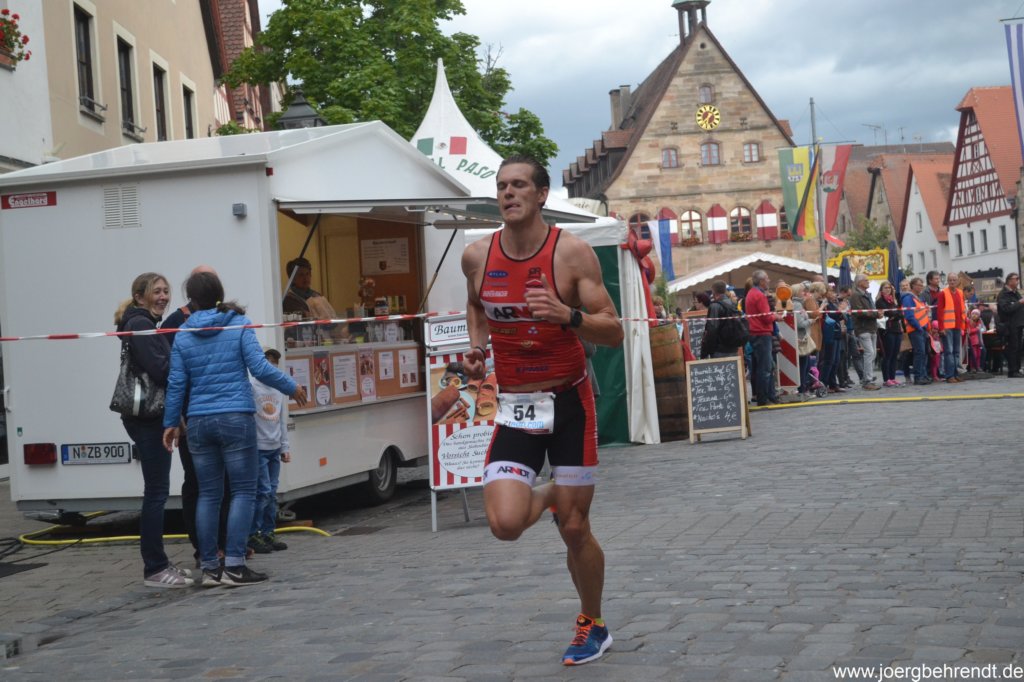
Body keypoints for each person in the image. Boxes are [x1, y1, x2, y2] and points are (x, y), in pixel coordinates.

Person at [461, 154, 623, 666]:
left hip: (569, 402)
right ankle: (553, 490)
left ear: (541, 195)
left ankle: (593, 624)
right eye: (501, 186)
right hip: (516, 406)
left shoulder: (571, 253)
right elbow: (476, 305)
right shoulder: (476, 255)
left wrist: (567, 315)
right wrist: (477, 347)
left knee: (574, 528)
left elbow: (613, 330)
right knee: (505, 523)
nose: (508, 193)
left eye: (519, 185)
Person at [163, 271, 308, 588]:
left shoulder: (183, 333)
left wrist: (171, 422)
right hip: (236, 419)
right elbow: (260, 368)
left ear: (191, 300)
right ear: (219, 293)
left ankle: (210, 568)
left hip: (198, 421)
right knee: (243, 491)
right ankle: (235, 565)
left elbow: (176, 383)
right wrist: (291, 386)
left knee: (208, 494)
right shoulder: (239, 324)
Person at [114, 272, 193, 588]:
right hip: (148, 418)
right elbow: (162, 371)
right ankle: (155, 568)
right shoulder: (141, 324)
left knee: (157, 490)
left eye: (166, 291)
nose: (163, 297)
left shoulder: (144, 322)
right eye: (156, 292)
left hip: (153, 416)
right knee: (157, 492)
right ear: (139, 297)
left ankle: (159, 562)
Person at [248, 348, 292, 554]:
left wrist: (285, 446)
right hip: (258, 447)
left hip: (274, 447)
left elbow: (282, 420)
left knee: (272, 493)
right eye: (268, 362)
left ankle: (268, 532)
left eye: (275, 364)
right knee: (263, 492)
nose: (272, 367)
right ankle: (253, 533)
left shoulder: (278, 389)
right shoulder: (252, 386)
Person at [744, 270, 782, 406]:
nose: (769, 280)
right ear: (761, 281)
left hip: (755, 333)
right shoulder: (759, 295)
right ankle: (763, 398)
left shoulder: (751, 293)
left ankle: (770, 396)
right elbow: (766, 317)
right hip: (762, 333)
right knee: (765, 368)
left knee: (765, 366)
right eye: (767, 279)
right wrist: (776, 316)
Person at [849, 274, 881, 390]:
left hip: (871, 327)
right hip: (863, 328)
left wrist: (876, 314)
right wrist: (876, 314)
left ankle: (868, 377)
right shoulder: (855, 295)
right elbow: (859, 312)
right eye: (866, 280)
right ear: (859, 282)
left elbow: (870, 309)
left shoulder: (867, 294)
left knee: (873, 354)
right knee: (869, 353)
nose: (868, 282)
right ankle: (867, 380)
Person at [935, 272, 967, 383]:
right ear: (948, 281)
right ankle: (949, 375)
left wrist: (963, 326)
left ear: (957, 281)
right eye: (950, 280)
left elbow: (963, 310)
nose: (952, 282)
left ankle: (955, 373)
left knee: (957, 351)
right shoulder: (943, 293)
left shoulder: (960, 293)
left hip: (957, 326)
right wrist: (941, 328)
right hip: (947, 327)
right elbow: (939, 311)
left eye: (954, 280)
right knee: (949, 351)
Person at [700, 280, 744, 358]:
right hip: (733, 347)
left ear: (713, 291)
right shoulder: (733, 304)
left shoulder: (715, 306)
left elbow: (712, 329)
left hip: (719, 350)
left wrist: (706, 350)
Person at [901, 277, 931, 385]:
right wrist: (919, 327)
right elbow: (909, 316)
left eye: (922, 285)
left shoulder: (917, 298)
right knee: (919, 353)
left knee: (923, 353)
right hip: (915, 329)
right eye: (919, 285)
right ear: (913, 286)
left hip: (921, 329)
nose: (921, 287)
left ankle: (923, 375)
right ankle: (918, 377)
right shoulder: (908, 298)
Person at [875, 280, 905, 387]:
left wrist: (895, 314)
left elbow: (900, 313)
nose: (888, 290)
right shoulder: (880, 301)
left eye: (889, 288)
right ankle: (886, 379)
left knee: (895, 355)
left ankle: (892, 377)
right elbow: (889, 313)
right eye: (885, 288)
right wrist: (895, 314)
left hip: (897, 329)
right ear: (881, 290)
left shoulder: (894, 300)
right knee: (888, 355)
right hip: (887, 330)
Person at [997, 273, 1024, 377]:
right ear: (1009, 281)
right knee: (1013, 347)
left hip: (1018, 324)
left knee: (1018, 347)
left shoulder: (1016, 293)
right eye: (1016, 279)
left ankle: (1017, 369)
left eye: (1018, 278)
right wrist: (1019, 303)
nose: (1017, 281)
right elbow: (1006, 309)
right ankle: (1012, 371)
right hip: (1010, 325)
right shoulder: (1003, 294)